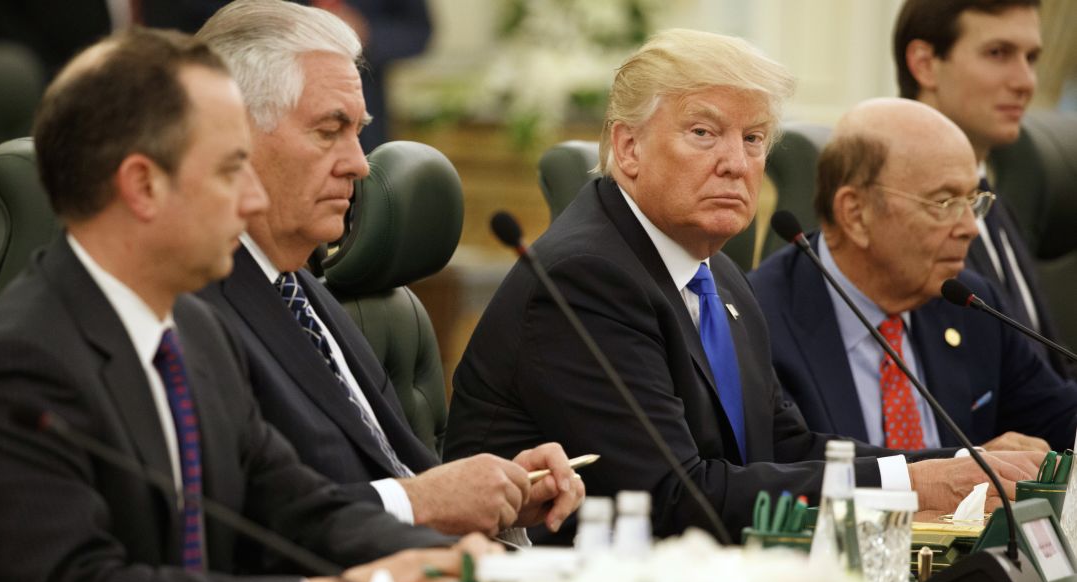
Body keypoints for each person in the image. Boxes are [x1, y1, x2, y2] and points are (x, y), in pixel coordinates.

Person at [444, 29, 1044, 543]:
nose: (736, 161)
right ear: (628, 148)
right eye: (705, 133)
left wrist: (962, 465)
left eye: (754, 138)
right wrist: (915, 484)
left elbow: (784, 445)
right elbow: (676, 499)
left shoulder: (716, 273)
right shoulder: (585, 279)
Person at [0, 28, 491, 582]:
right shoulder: (18, 360)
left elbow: (303, 511)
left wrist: (466, 568)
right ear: (143, 186)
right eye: (229, 172)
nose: (252, 202)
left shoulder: (197, 335)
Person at [194, 0, 584, 542]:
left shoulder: (305, 291)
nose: (359, 163)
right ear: (233, 134)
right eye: (329, 130)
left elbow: (396, 475)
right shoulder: (192, 304)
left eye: (358, 131)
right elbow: (243, 524)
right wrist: (423, 502)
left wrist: (503, 489)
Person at [749, 97, 1077, 455]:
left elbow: (1059, 419)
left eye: (973, 201)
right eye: (946, 203)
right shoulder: (761, 320)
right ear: (856, 214)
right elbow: (799, 468)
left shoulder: (969, 302)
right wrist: (958, 466)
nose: (970, 228)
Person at [894, 0, 1075, 378]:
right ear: (925, 64)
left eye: (1031, 58)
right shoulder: (896, 221)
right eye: (998, 53)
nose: (1026, 82)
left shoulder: (994, 199)